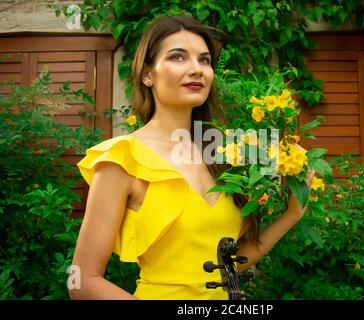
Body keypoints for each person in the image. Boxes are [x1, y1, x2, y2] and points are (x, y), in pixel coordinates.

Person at [69, 15, 313, 300]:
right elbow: (82, 281)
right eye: (178, 57)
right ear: (147, 74)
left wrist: (293, 213)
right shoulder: (122, 159)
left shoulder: (227, 152)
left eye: (205, 60)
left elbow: (232, 263)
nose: (197, 69)